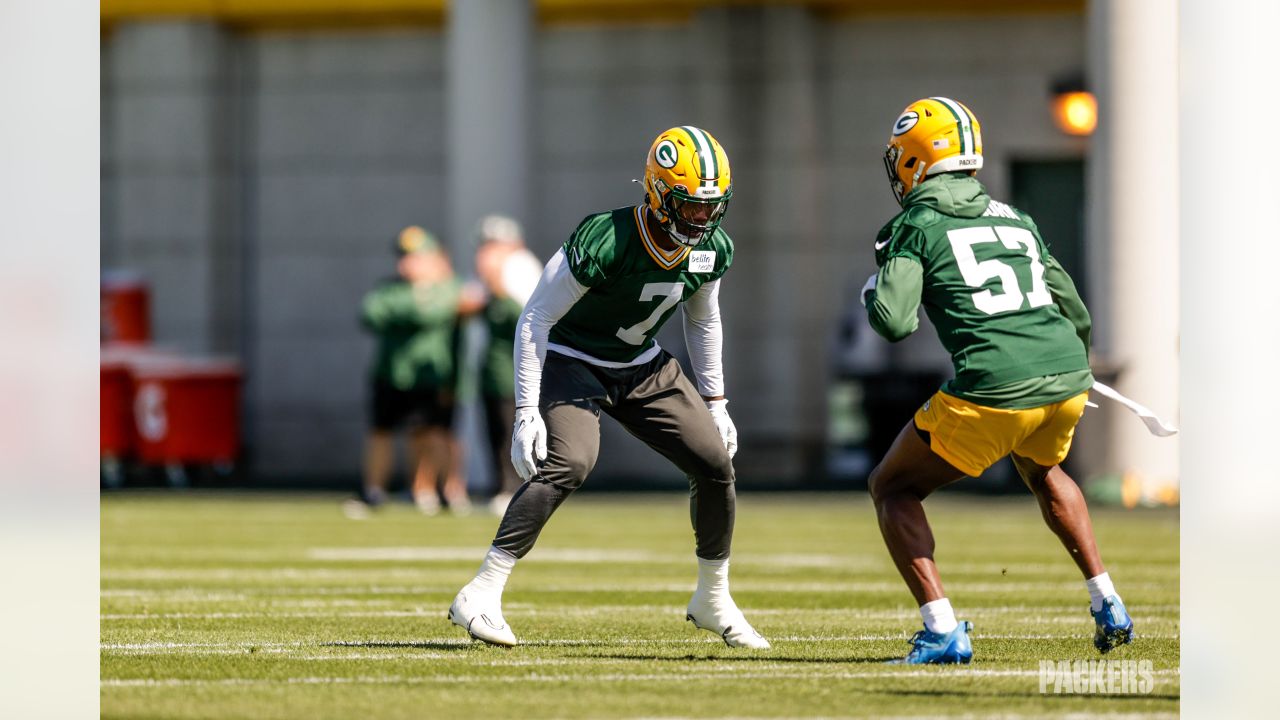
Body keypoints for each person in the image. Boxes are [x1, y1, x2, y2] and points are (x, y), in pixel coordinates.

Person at [447, 126, 769, 650]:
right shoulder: (607, 236)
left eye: (711, 208)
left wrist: (717, 402)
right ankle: (481, 591)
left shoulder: (713, 248)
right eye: (690, 206)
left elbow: (703, 322)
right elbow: (535, 318)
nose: (702, 219)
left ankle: (713, 597)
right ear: (659, 194)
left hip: (643, 365)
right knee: (570, 462)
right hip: (574, 360)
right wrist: (525, 409)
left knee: (715, 463)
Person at [862, 97, 1132, 664]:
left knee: (893, 488)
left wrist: (876, 287)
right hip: (1066, 377)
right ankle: (1108, 600)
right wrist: (1066, 373)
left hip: (995, 387)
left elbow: (893, 323)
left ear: (915, 159)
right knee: (1043, 467)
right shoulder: (1015, 216)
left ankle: (940, 631)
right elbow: (1076, 311)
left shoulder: (916, 222)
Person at [349, 226, 469, 518]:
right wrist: (413, 303)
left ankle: (430, 490)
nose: (406, 263)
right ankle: (374, 491)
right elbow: (371, 313)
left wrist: (404, 310)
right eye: (403, 257)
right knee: (381, 431)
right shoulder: (390, 288)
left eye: (414, 257)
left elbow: (433, 312)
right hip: (391, 373)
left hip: (431, 376)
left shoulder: (448, 286)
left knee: (428, 433)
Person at [468, 215, 542, 517]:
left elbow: (528, 319)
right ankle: (501, 486)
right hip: (492, 367)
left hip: (518, 368)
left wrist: (495, 283)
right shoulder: (485, 272)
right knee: (495, 431)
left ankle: (517, 488)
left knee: (515, 428)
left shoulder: (522, 267)